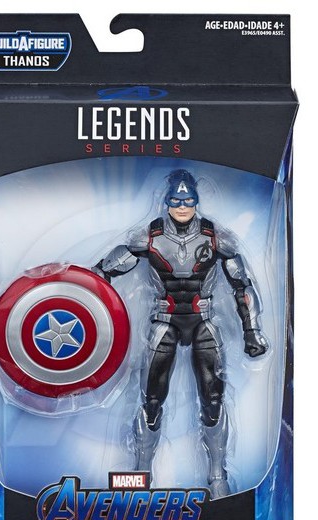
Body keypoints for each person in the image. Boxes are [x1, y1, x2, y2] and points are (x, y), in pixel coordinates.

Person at [93, 169, 267, 498]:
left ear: (196, 202)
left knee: (213, 400)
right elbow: (103, 273)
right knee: (151, 401)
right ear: (167, 202)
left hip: (204, 322)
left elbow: (242, 286)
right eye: (176, 201)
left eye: (188, 201)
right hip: (165, 321)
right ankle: (140, 474)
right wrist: (84, 294)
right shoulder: (148, 237)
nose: (182, 207)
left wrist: (252, 331)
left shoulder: (216, 238)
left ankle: (217, 476)